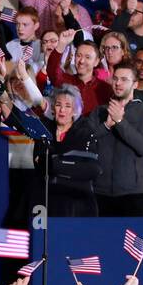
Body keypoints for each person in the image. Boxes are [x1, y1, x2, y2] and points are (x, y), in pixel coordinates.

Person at [83, 63, 143, 216]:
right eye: (115, 79)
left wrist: (120, 122)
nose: (118, 83)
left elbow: (142, 147)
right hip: (99, 191)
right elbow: (85, 143)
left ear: (135, 84)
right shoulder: (99, 111)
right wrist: (106, 126)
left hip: (132, 194)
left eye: (124, 79)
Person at [40, 87, 100, 217]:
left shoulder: (85, 133)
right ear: (52, 108)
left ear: (74, 111)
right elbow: (39, 164)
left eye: (68, 106)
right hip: (47, 201)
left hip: (77, 204)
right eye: (58, 105)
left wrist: (56, 164)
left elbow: (91, 170)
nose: (62, 110)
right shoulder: (44, 130)